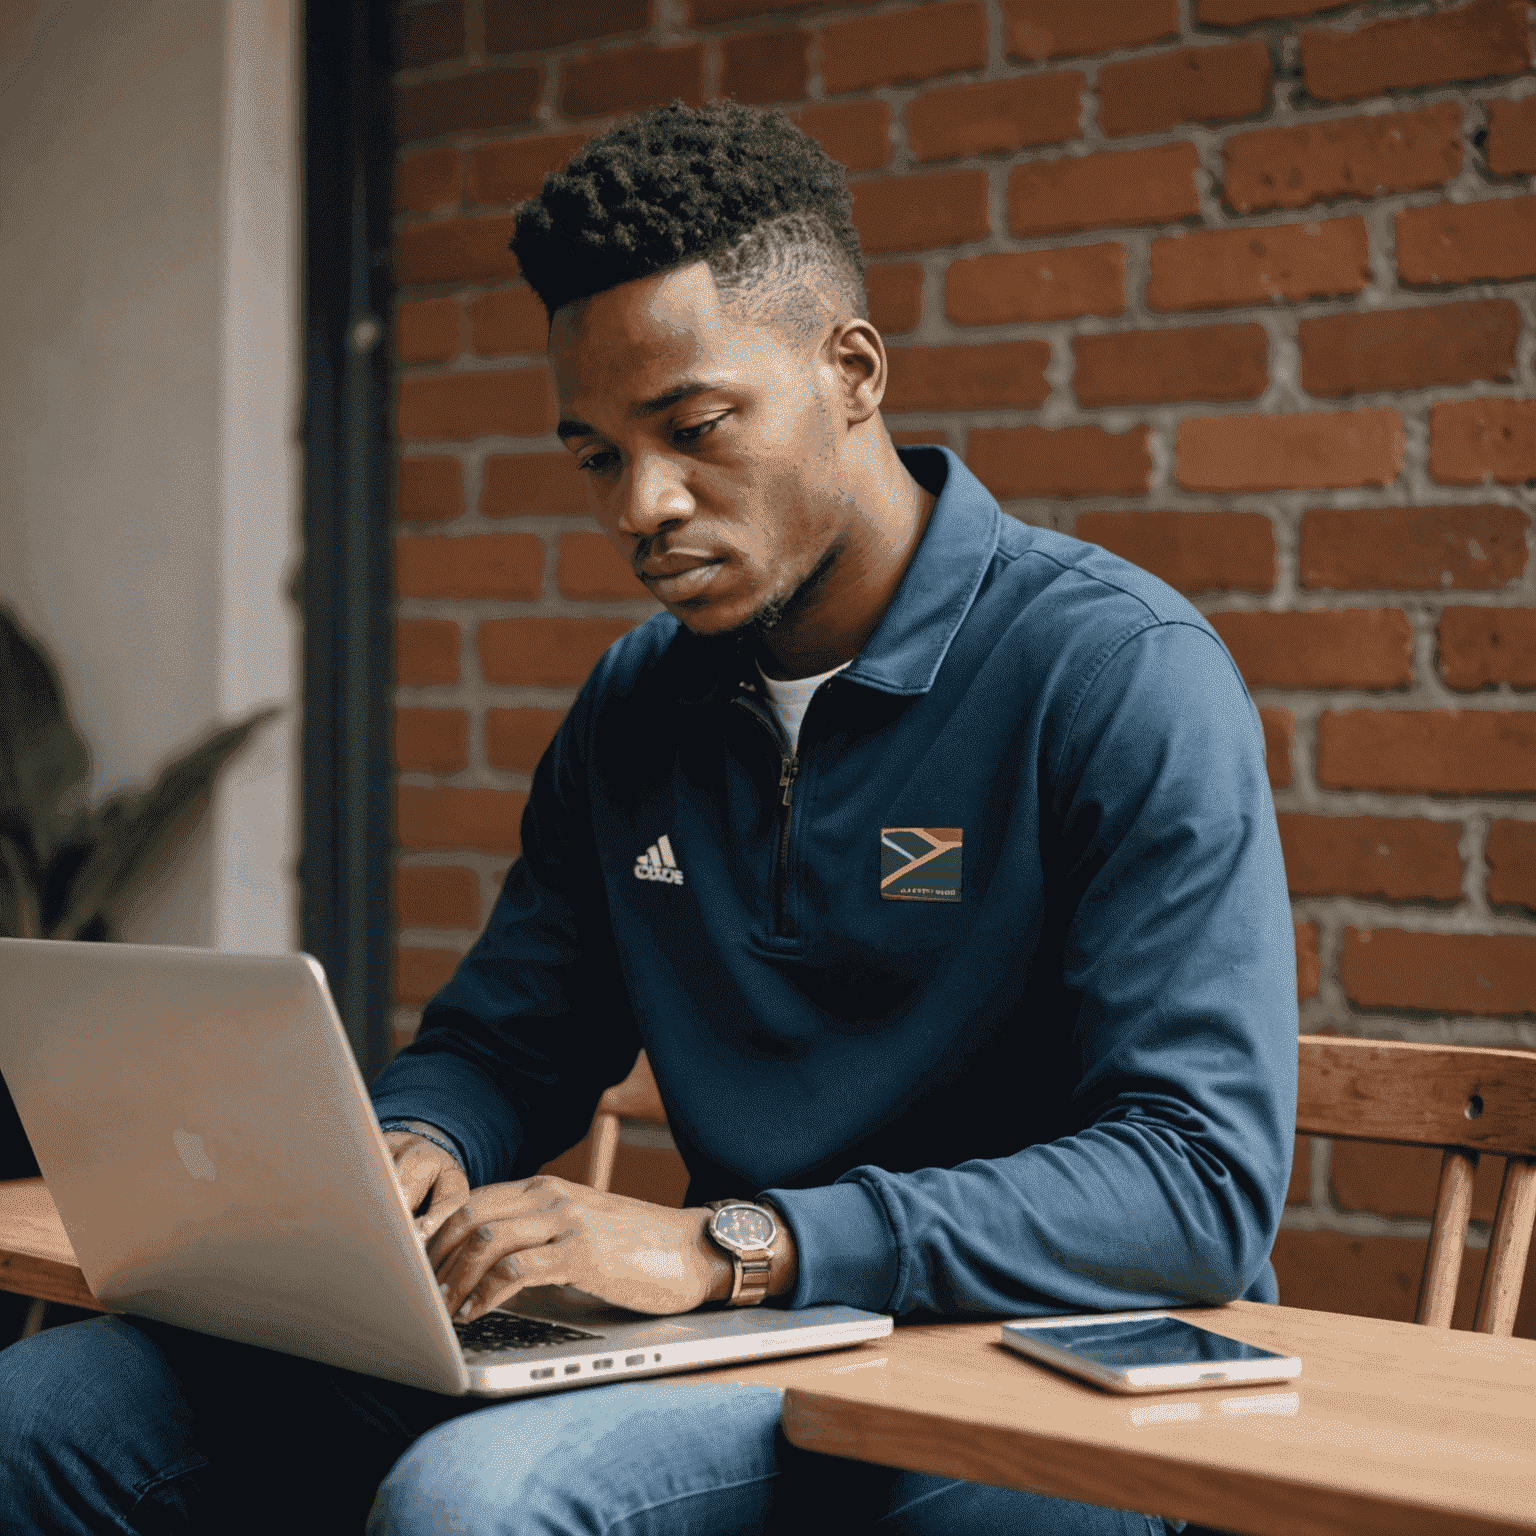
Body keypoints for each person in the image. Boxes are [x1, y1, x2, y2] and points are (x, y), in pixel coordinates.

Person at [0, 101, 1296, 1534]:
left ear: (851, 370)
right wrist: (415, 1151)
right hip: (726, 1338)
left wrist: (734, 1244)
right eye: (598, 457)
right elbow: (511, 1039)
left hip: (1013, 1369)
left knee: (476, 1507)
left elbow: (1196, 1183)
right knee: (42, 1420)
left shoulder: (1114, 673)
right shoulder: (636, 709)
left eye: (691, 428)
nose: (645, 504)